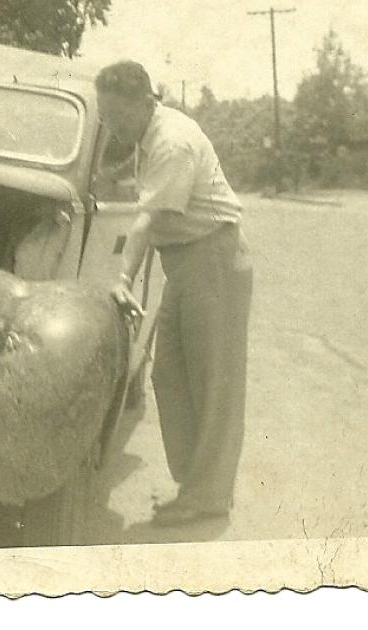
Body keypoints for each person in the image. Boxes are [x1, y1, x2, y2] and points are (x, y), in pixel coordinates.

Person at [96, 60, 253, 526]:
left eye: (118, 117)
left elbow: (147, 220)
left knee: (213, 382)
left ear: (146, 102)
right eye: (105, 116)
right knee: (169, 374)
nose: (112, 127)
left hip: (212, 258)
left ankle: (207, 496)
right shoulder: (146, 136)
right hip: (187, 262)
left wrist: (121, 279)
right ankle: (197, 484)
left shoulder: (171, 141)